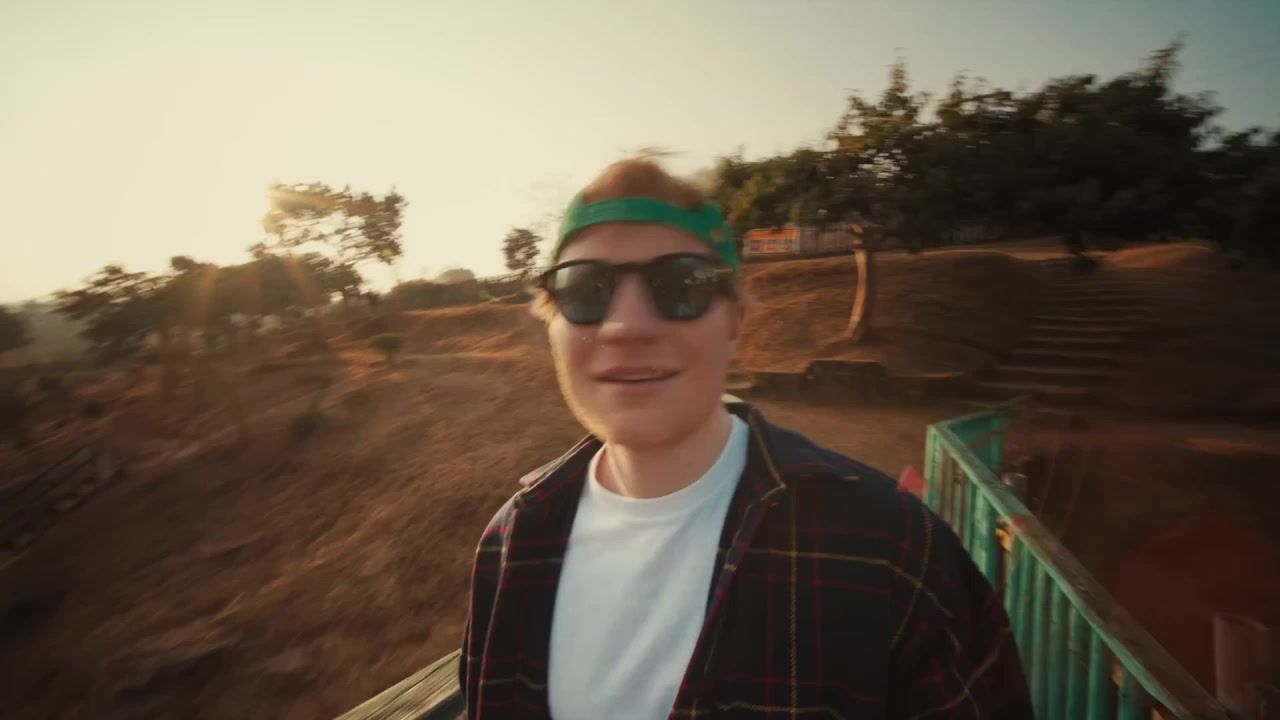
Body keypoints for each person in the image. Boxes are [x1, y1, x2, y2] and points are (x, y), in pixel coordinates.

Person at [459, 154, 1032, 719]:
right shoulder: (511, 543)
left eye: (681, 285)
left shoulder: (893, 551)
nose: (626, 326)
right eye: (584, 289)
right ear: (551, 322)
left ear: (736, 323)